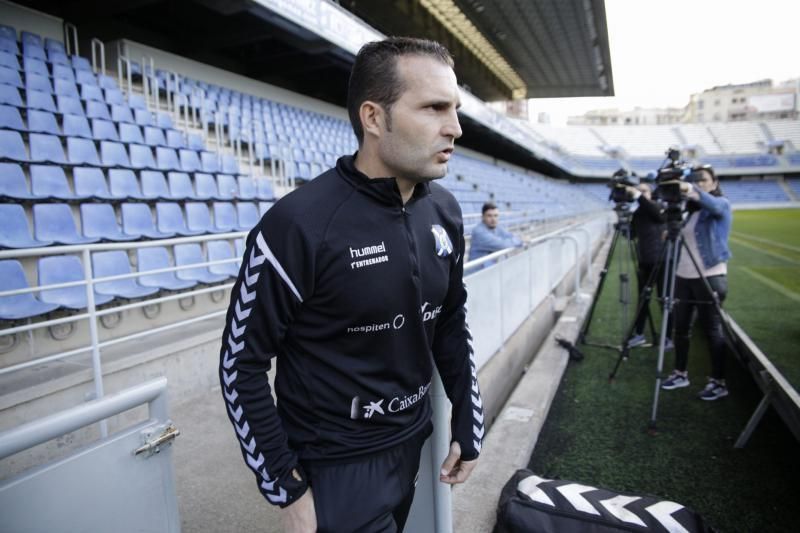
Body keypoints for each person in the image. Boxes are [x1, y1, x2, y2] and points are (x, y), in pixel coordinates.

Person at [218, 37, 484, 533]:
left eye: (455, 109)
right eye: (434, 108)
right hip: (333, 469)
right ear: (374, 118)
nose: (455, 127)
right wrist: (285, 487)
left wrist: (468, 420)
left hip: (412, 445)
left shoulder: (444, 211)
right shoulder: (298, 225)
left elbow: (450, 321)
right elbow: (241, 364)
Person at [660, 165, 732, 400]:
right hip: (684, 275)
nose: (700, 183)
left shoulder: (721, 205)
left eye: (704, 179)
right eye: (695, 180)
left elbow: (714, 204)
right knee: (681, 328)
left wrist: (689, 187)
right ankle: (680, 373)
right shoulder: (690, 212)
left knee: (712, 330)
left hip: (709, 276)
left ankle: (718, 381)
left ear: (714, 182)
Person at [624, 183, 673, 349]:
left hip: (663, 261)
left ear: (651, 193)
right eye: (638, 190)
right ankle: (639, 334)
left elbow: (658, 217)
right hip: (645, 261)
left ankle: (668, 337)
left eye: (644, 190)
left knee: (664, 299)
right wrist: (622, 221)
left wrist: (638, 196)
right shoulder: (637, 213)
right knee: (643, 299)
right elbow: (631, 235)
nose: (640, 193)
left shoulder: (658, 207)